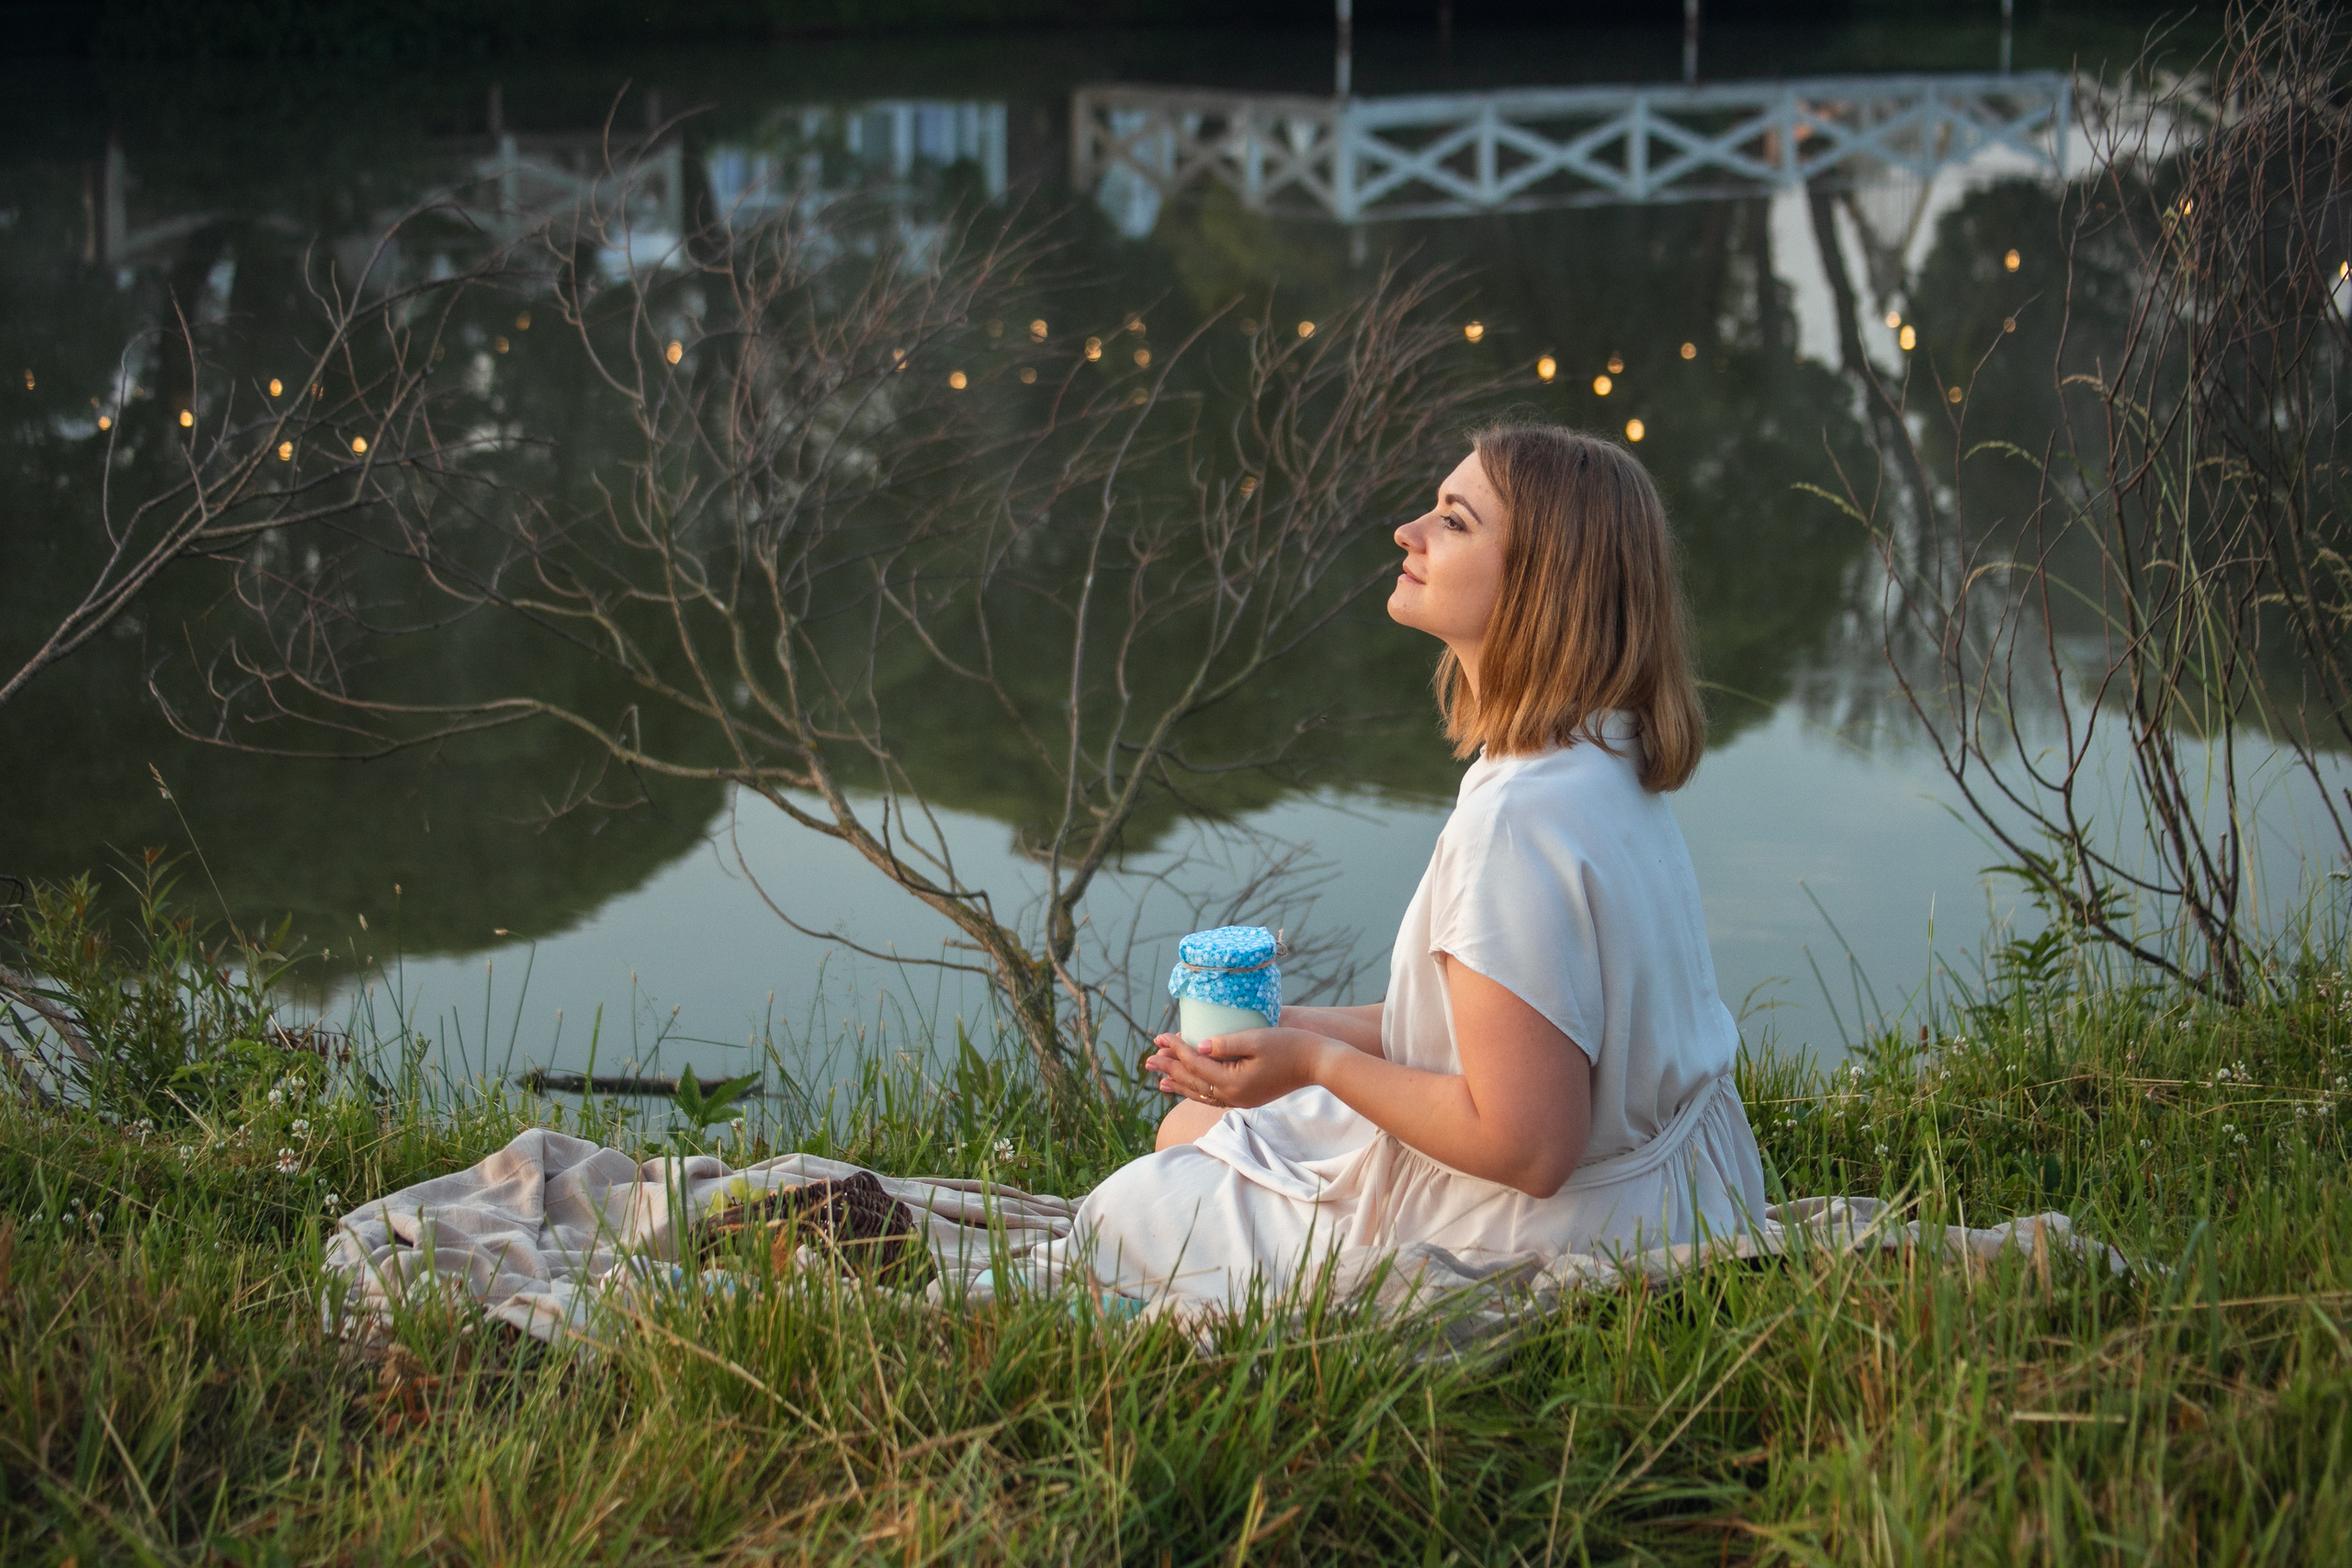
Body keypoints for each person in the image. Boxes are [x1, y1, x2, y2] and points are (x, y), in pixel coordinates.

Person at [1074, 423, 1770, 1308]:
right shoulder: (1602, 753)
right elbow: (1507, 1027)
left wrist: (1317, 1066)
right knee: (1198, 1120)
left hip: (1555, 1233)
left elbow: (1529, 1145)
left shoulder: (1516, 821)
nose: (1409, 532)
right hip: (1684, 1192)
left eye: (1454, 520)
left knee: (1122, 1211)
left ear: (1540, 581)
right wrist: (1295, 1031)